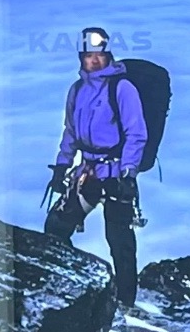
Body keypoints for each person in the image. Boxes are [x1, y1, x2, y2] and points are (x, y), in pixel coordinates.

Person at [44, 26, 146, 307]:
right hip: (87, 173)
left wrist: (128, 174)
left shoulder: (122, 88)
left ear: (108, 55)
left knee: (120, 241)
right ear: (81, 58)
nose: (95, 60)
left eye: (99, 55)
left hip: (115, 173)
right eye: (89, 56)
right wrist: (62, 166)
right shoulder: (77, 91)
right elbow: (71, 132)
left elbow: (136, 134)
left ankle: (125, 303)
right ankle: (73, 286)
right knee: (55, 227)